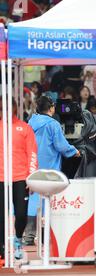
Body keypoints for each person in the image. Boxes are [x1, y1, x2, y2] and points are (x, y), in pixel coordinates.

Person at [24, 96, 80, 245]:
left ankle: (29, 234)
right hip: (50, 168)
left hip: (34, 165)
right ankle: (47, 235)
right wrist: (74, 151)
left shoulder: (30, 123)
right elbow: (61, 146)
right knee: (50, 199)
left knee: (34, 198)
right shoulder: (53, 124)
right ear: (51, 108)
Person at [0, 97, 38, 260]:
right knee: (1, 216)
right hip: (1, 177)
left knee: (21, 214)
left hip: (21, 177)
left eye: (9, 107)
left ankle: (17, 239)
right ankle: (1, 249)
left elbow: (32, 153)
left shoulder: (25, 128)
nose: (6, 111)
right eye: (3, 108)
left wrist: (31, 176)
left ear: (15, 108)